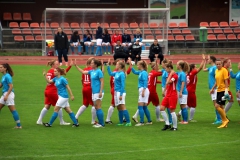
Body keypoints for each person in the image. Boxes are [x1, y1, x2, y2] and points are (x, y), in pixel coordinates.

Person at [36, 60, 71, 125]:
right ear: (53, 65)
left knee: (47, 106)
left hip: (47, 90)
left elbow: (56, 79)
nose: (58, 65)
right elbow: (62, 73)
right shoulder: (54, 71)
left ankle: (39, 120)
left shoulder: (49, 71)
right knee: (58, 105)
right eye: (56, 64)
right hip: (52, 91)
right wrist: (70, 66)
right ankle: (61, 121)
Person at [74, 59, 105, 128]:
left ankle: (101, 124)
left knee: (98, 107)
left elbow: (102, 81)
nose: (91, 64)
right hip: (94, 92)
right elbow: (83, 72)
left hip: (98, 92)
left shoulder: (99, 71)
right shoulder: (92, 71)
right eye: (90, 63)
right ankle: (99, 123)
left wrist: (100, 91)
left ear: (95, 65)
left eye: (92, 63)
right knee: (96, 107)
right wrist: (76, 66)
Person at [132, 57, 162, 122]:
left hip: (147, 90)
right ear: (154, 67)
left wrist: (160, 82)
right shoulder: (153, 73)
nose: (159, 68)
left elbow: (152, 81)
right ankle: (157, 118)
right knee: (157, 104)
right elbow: (162, 72)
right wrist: (164, 69)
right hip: (151, 91)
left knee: (143, 106)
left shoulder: (150, 72)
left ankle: (136, 116)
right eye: (158, 66)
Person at [105, 58, 132, 124]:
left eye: (117, 64)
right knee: (119, 107)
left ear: (120, 66)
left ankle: (128, 122)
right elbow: (110, 73)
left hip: (120, 92)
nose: (115, 65)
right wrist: (108, 66)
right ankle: (121, 122)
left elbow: (123, 85)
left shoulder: (122, 74)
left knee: (122, 106)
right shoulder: (116, 73)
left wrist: (120, 94)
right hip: (116, 91)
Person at [74, 57, 97, 124]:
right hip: (90, 88)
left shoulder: (85, 69)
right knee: (94, 105)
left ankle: (76, 117)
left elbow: (82, 80)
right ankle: (93, 121)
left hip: (84, 88)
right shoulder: (92, 70)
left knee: (85, 104)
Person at [0, 63, 22, 129]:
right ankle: (18, 125)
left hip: (8, 94)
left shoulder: (7, 76)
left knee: (12, 110)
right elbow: (1, 85)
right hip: (5, 94)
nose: (0, 68)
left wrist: (6, 95)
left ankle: (19, 125)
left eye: (1, 67)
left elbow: (11, 86)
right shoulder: (3, 76)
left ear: (5, 68)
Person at [210, 59, 230, 128]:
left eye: (219, 64)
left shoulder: (224, 70)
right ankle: (224, 122)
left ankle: (225, 120)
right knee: (221, 107)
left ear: (222, 64)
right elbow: (216, 81)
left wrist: (226, 90)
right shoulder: (216, 71)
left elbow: (226, 81)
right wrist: (212, 88)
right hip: (218, 90)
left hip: (223, 90)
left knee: (217, 106)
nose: (218, 65)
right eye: (217, 64)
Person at [131, 60, 152, 126]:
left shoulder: (144, 73)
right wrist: (130, 64)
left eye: (138, 65)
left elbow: (145, 82)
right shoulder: (141, 72)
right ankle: (149, 121)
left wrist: (143, 91)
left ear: (141, 66)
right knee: (144, 107)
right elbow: (134, 72)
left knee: (140, 107)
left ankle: (141, 122)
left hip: (143, 90)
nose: (137, 66)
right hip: (143, 90)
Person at [203, 55, 222, 124]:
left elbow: (217, 79)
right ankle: (219, 118)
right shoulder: (211, 67)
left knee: (216, 104)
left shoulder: (214, 68)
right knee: (216, 104)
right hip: (213, 88)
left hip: (215, 88)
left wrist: (213, 88)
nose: (208, 60)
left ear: (211, 60)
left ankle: (219, 119)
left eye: (208, 59)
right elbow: (204, 69)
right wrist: (204, 61)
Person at [186, 54, 205, 122]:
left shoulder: (188, 73)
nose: (196, 68)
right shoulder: (193, 72)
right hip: (191, 90)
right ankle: (191, 119)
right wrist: (203, 60)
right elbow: (200, 68)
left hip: (187, 90)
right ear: (193, 68)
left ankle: (179, 114)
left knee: (188, 104)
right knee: (193, 105)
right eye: (195, 67)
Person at [160, 61, 178, 131]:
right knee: (161, 108)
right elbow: (167, 84)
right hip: (168, 94)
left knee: (172, 111)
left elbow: (168, 82)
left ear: (169, 68)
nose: (165, 70)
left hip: (173, 95)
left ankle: (175, 126)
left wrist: (170, 74)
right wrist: (164, 91)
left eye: (166, 68)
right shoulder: (170, 74)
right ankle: (167, 124)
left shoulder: (175, 75)